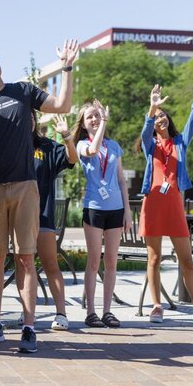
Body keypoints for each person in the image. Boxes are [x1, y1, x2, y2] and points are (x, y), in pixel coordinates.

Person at [0, 40, 78, 354]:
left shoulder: (23, 90)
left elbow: (62, 106)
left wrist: (66, 68)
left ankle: (29, 327)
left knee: (25, 258)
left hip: (24, 186)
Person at [138, 74, 193, 326]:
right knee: (153, 259)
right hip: (152, 204)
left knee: (187, 259)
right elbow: (144, 130)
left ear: (168, 120)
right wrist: (151, 107)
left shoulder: (180, 142)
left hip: (173, 206)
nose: (160, 118)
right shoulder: (149, 145)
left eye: (163, 115)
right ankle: (156, 307)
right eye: (156, 117)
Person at [72, 99, 131, 328]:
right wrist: (104, 123)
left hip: (115, 210)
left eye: (97, 115)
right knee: (94, 262)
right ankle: (91, 312)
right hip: (95, 208)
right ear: (84, 124)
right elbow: (94, 149)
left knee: (112, 262)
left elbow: (121, 181)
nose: (95, 119)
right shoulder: (80, 145)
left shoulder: (114, 146)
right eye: (90, 117)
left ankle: (108, 311)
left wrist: (127, 212)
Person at [32, 113, 78, 330]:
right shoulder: (11, 144)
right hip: (15, 216)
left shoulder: (46, 146)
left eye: (30, 116)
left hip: (42, 215)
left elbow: (72, 159)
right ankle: (27, 315)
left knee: (50, 263)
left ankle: (61, 313)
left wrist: (67, 136)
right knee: (24, 265)